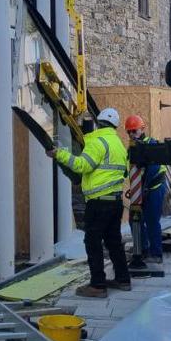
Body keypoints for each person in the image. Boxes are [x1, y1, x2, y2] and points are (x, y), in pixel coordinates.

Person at [47, 107, 131, 297]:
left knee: (92, 242)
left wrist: (59, 154)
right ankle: (123, 279)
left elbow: (82, 165)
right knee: (114, 241)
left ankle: (97, 285)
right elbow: (124, 172)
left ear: (98, 122)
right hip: (115, 201)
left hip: (99, 202)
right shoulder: (118, 143)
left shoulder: (96, 141)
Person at [124, 115, 166, 264]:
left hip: (154, 188)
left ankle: (156, 254)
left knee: (152, 220)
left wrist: (143, 190)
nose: (131, 135)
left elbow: (153, 171)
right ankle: (142, 250)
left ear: (142, 129)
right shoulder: (132, 148)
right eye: (128, 132)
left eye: (133, 131)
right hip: (140, 190)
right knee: (134, 220)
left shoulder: (151, 144)